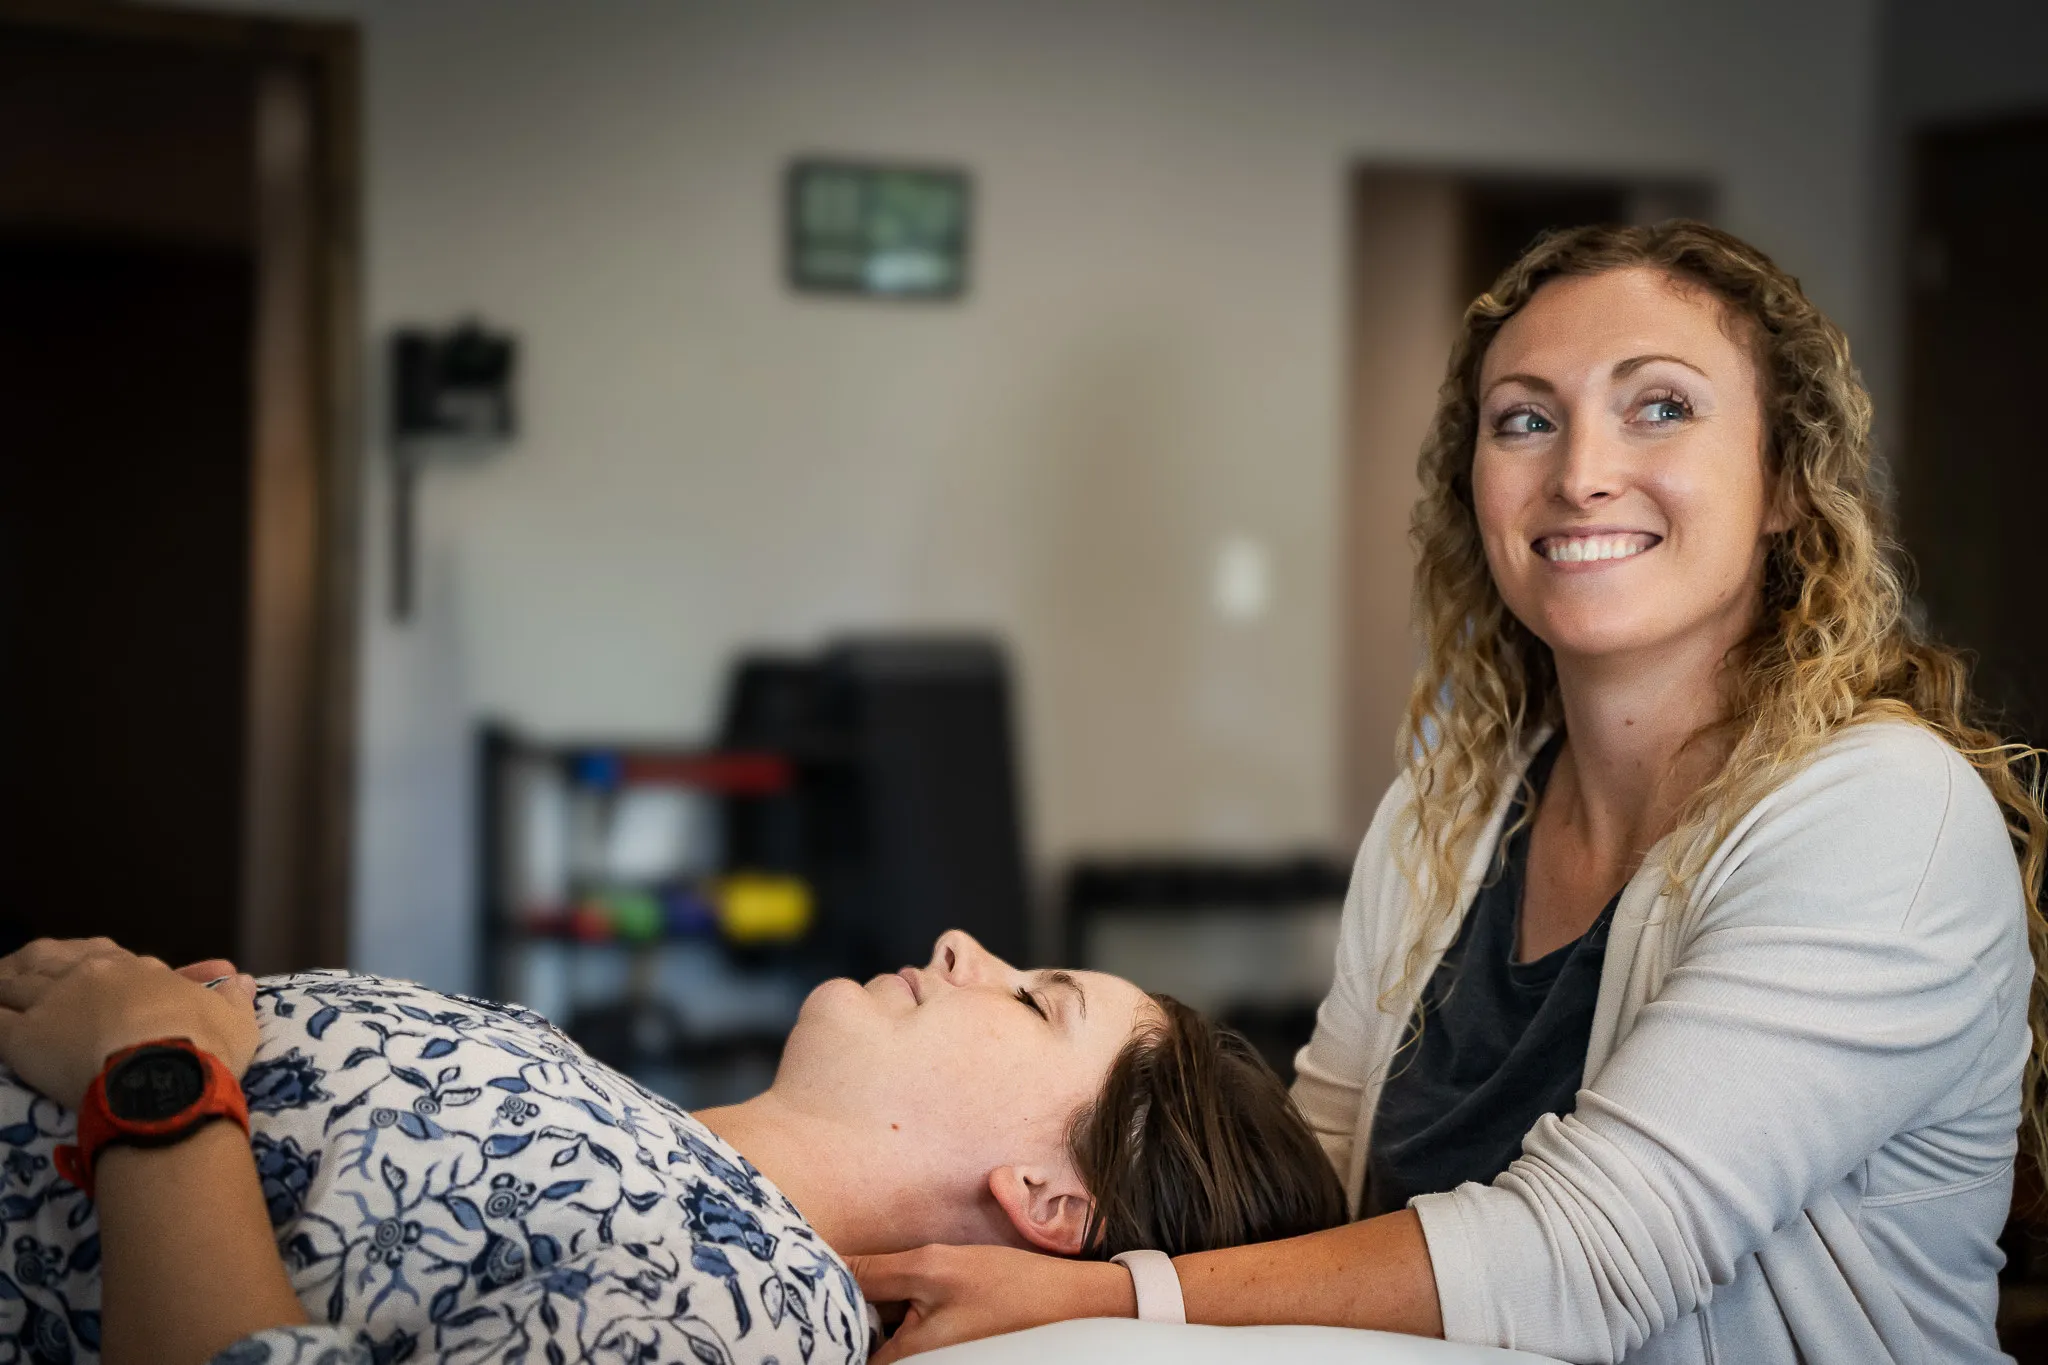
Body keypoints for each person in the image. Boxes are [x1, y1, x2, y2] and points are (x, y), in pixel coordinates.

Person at [853, 221, 2048, 1364]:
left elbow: (1591, 1258)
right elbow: (1316, 1194)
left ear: (1784, 481)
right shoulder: (1449, 814)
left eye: (1659, 407)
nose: (1580, 474)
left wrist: (1105, 1298)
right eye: (1525, 420)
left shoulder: (1885, 815)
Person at [0, 928, 1347, 1365]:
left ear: (1053, 1199)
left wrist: (154, 1076)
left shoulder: (745, 1305)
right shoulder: (662, 1157)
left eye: (1037, 1001)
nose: (962, 947)